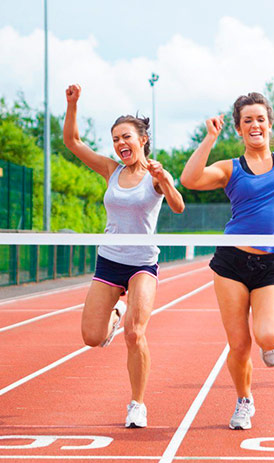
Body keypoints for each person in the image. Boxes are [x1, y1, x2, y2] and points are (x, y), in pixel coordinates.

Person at [180, 46, 274, 430]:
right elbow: (190, 180)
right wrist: (209, 139)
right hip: (231, 263)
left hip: (270, 264)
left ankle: (272, 342)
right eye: (247, 120)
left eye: (260, 118)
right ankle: (244, 401)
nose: (255, 125)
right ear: (239, 127)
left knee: (268, 337)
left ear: (269, 124)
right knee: (239, 344)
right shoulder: (230, 168)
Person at [63, 84, 185, 428]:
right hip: (110, 260)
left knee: (135, 334)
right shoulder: (111, 171)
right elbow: (72, 142)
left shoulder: (156, 175)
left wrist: (166, 181)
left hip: (143, 262)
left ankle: (137, 404)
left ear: (142, 139)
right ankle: (118, 308)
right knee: (92, 337)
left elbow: (178, 206)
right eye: (115, 138)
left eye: (126, 137)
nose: (120, 144)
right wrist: (72, 104)